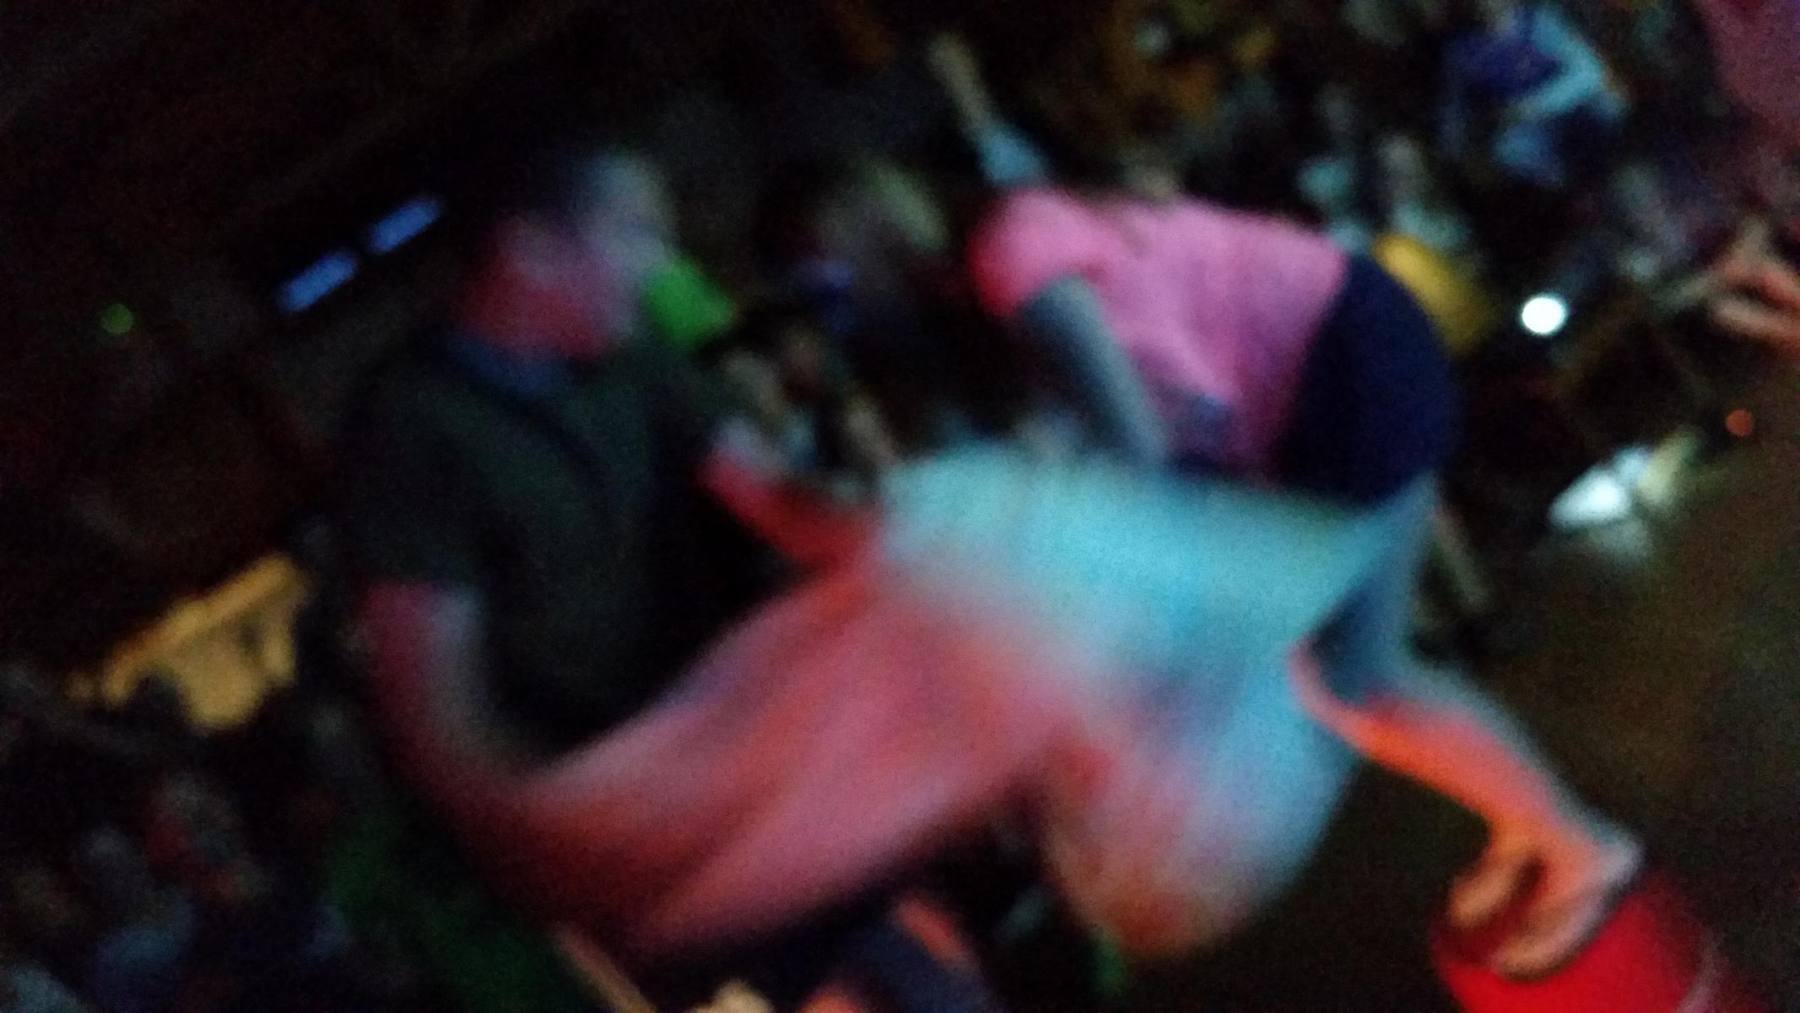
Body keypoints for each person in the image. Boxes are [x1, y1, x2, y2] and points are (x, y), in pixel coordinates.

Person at [915, 39, 1647, 978]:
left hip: (1341, 359)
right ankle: (1528, 820)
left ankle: (1581, 844)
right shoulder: (1036, 226)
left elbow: (1136, 445)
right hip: (1337, 354)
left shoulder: (1008, 250)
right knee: (1343, 673)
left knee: (1353, 675)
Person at [342, 138, 1023, 1010]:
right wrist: (573, 839)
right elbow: (438, 711)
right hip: (641, 829)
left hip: (756, 756)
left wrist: (960, 533)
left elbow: (779, 499)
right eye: (634, 233)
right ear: (533, 251)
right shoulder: (412, 427)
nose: (660, 262)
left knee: (924, 964)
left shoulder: (629, 355)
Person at [1438, 0, 1628, 191]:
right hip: (1527, 129)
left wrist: (1533, 106)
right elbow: (1454, 115)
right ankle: (1576, 190)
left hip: (1567, 105)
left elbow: (1589, 71)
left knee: (1608, 105)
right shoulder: (1462, 52)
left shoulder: (1539, 21)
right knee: (1509, 150)